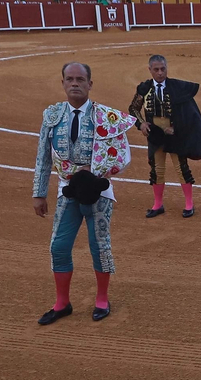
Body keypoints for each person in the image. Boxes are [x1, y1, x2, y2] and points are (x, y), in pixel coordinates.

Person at [32, 62, 136, 324]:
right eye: (70, 79)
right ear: (63, 83)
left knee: (99, 245)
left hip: (98, 191)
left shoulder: (106, 117)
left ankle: (102, 299)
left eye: (80, 79)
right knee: (59, 246)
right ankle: (62, 303)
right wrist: (39, 193)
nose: (75, 83)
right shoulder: (52, 115)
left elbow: (122, 156)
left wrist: (94, 170)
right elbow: (43, 157)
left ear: (90, 84)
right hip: (67, 190)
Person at [130, 54, 201, 219]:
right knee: (157, 170)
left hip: (174, 135)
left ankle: (189, 204)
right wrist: (141, 124)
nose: (160, 73)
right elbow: (134, 109)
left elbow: (189, 113)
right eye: (156, 69)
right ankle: (158, 204)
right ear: (150, 70)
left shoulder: (177, 87)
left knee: (181, 168)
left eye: (163, 69)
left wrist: (177, 127)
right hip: (155, 135)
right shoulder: (144, 88)